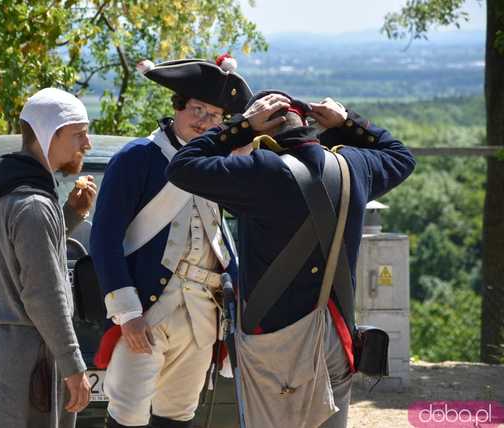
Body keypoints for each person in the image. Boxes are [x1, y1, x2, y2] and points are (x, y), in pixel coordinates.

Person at [166, 90, 416, 428]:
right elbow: (401, 156)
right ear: (309, 128)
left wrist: (240, 126)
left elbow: (182, 166)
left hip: (275, 339)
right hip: (337, 333)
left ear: (264, 134)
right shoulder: (353, 167)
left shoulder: (260, 172)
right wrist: (347, 122)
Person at [89, 55, 252, 428]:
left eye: (215, 116)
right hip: (147, 311)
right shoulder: (138, 158)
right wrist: (128, 313)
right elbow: (105, 238)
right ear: (177, 106)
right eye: (197, 109)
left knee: (178, 415)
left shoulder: (218, 164)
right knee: (127, 414)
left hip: (201, 314)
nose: (205, 122)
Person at [0, 87, 97, 428]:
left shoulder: (2, 189)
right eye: (79, 133)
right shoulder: (33, 205)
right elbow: (43, 293)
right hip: (24, 365)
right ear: (52, 134)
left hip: (0, 356)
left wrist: (69, 217)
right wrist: (73, 365)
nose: (86, 144)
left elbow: (23, 257)